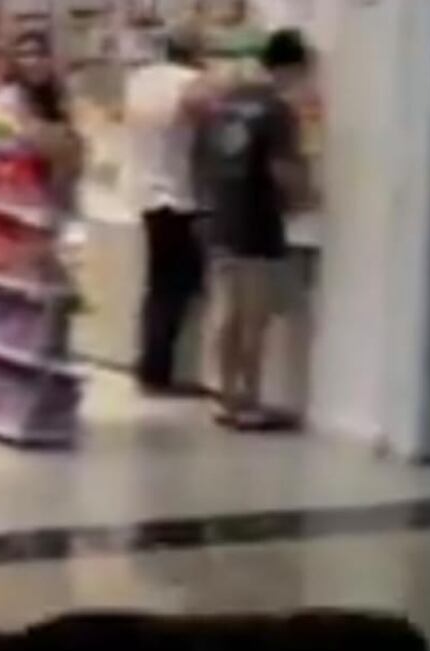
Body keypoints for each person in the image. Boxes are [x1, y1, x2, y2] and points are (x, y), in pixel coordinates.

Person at [200, 26, 312, 429]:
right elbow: (282, 170)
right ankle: (249, 400)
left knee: (227, 313)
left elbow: (207, 159)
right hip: (258, 223)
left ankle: (224, 396)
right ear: (292, 67)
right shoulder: (278, 111)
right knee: (253, 319)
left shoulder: (226, 104)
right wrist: (305, 196)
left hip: (222, 220)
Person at [125, 26, 210, 393]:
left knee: (158, 284)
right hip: (178, 194)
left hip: (143, 191)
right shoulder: (191, 82)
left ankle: (150, 363)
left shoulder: (139, 80)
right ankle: (158, 370)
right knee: (175, 286)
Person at [0, 32, 84, 202]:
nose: (32, 61)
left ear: (49, 60)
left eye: (39, 54)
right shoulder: (5, 100)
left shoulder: (64, 98)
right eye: (24, 55)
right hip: (19, 194)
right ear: (15, 63)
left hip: (62, 195)